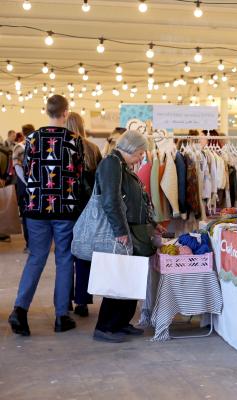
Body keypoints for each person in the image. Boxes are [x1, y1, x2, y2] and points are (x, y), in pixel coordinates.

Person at [8, 95, 84, 336]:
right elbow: (79, 175)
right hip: (64, 208)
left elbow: (24, 169)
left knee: (35, 258)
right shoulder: (74, 141)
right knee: (64, 259)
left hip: (36, 208)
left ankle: (19, 310)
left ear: (47, 111)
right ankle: (62, 316)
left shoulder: (31, 139)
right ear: (66, 112)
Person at [93, 130, 160, 343]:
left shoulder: (121, 164)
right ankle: (105, 327)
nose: (141, 158)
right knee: (119, 279)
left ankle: (121, 323)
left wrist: (152, 224)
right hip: (124, 231)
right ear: (131, 148)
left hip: (133, 229)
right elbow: (110, 199)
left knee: (130, 278)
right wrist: (120, 230)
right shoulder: (112, 163)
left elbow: (133, 200)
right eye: (140, 153)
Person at [65, 112, 102, 318]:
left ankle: (64, 301)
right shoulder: (92, 148)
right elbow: (99, 181)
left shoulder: (61, 147)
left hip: (65, 209)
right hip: (87, 210)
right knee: (84, 256)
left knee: (65, 256)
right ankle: (81, 301)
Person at [13, 127, 32, 251]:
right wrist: (28, 183)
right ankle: (29, 244)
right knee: (26, 215)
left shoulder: (28, 146)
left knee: (29, 216)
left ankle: (31, 244)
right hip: (25, 187)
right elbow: (18, 168)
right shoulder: (20, 147)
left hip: (27, 186)